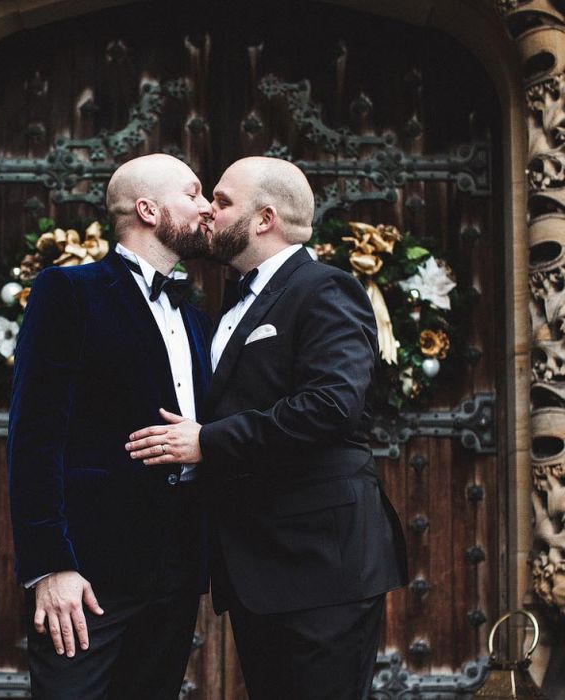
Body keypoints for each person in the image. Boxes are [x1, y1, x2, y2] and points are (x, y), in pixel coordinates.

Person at [126, 156, 408, 700]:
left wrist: (207, 441)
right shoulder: (234, 303)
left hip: (322, 566)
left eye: (224, 201)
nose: (209, 209)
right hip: (260, 569)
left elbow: (331, 405)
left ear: (264, 219)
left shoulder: (326, 289)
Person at [7, 153, 213, 699]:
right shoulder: (69, 292)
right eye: (192, 194)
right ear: (148, 209)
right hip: (88, 576)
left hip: (175, 571)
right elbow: (34, 436)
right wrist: (50, 566)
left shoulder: (194, 317)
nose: (206, 206)